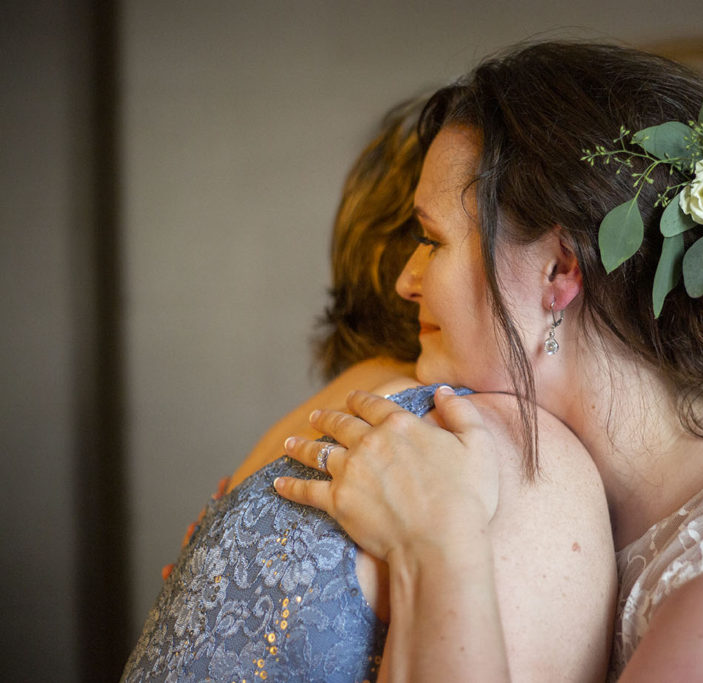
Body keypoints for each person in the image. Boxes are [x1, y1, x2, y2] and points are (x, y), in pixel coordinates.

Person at [275, 41, 703, 681]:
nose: (406, 281)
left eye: (432, 239)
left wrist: (436, 548)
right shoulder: (559, 494)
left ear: (558, 270)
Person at [121, 97, 616, 682]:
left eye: (431, 239)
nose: (412, 277)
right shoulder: (508, 449)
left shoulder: (476, 439)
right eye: (420, 236)